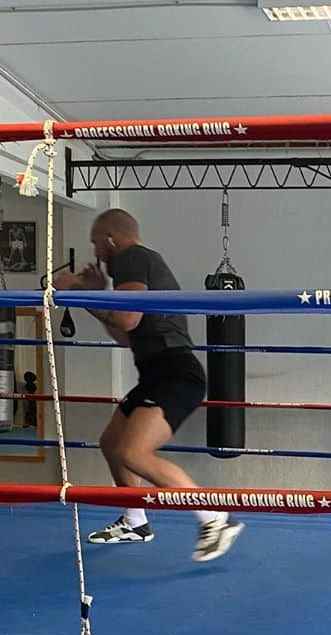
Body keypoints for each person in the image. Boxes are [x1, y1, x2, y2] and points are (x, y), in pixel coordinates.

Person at [53, 209, 242, 561]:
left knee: (133, 453)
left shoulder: (131, 257)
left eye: (96, 243)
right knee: (111, 443)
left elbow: (127, 316)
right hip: (157, 372)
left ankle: (216, 518)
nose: (96, 253)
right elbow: (125, 335)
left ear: (111, 239)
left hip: (175, 372)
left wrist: (81, 290)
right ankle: (135, 521)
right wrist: (93, 298)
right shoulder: (134, 264)